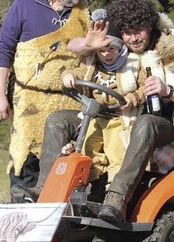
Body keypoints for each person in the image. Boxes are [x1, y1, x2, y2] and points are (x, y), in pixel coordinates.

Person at [13, 0, 174, 223]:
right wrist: (86, 51)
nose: (133, 38)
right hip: (113, 116)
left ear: (151, 27)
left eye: (139, 31)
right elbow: (72, 45)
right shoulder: (113, 49)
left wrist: (168, 91)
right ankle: (45, 190)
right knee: (58, 120)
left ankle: (117, 197)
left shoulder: (171, 48)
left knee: (145, 123)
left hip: (166, 125)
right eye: (127, 32)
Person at [0, 0, 90, 202]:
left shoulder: (82, 12)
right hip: (29, 101)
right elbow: (4, 50)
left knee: (65, 165)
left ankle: (60, 232)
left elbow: (92, 56)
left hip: (70, 101)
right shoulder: (25, 5)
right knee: (25, 163)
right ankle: (20, 220)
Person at [61, 10, 146, 184]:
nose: (107, 54)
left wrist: (132, 98)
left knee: (116, 149)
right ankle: (89, 184)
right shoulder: (91, 64)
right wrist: (69, 77)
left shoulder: (133, 65)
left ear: (121, 48)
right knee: (85, 146)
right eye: (102, 51)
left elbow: (145, 87)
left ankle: (114, 188)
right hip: (94, 115)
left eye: (112, 49)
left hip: (119, 117)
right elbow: (76, 72)